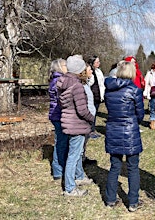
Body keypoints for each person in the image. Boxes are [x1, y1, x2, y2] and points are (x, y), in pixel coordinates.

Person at [104, 61, 145, 212]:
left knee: (115, 166)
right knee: (133, 167)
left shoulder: (109, 90)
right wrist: (134, 120)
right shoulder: (134, 90)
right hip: (130, 133)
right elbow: (140, 114)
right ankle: (133, 202)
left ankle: (110, 199)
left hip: (113, 130)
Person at [57, 55, 95, 197]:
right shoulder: (77, 86)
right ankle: (70, 188)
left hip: (68, 122)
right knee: (73, 155)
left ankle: (79, 176)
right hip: (77, 124)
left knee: (76, 153)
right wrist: (91, 119)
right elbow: (82, 110)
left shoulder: (62, 83)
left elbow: (63, 104)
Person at [48, 58, 68, 180]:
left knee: (61, 142)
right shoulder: (58, 81)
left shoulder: (57, 79)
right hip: (58, 115)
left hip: (57, 114)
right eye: (65, 65)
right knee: (61, 142)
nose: (68, 67)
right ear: (60, 67)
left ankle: (60, 167)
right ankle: (58, 170)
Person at [87, 55, 105, 140]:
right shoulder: (89, 72)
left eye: (99, 61)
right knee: (91, 113)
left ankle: (93, 130)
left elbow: (102, 84)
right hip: (92, 95)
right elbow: (89, 84)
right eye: (97, 62)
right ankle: (90, 131)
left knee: (95, 113)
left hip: (98, 95)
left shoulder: (99, 71)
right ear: (92, 63)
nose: (99, 63)